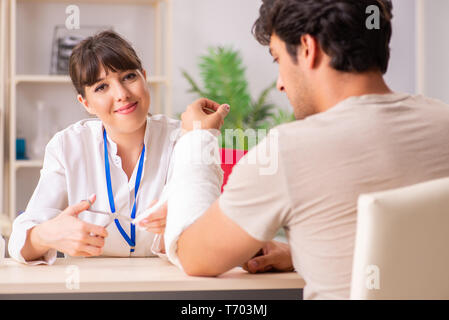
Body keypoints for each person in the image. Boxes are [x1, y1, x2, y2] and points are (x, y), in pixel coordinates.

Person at [159, 0, 449, 299]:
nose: (280, 84)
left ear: (308, 49)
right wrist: (303, 252)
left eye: (277, 59)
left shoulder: (287, 151)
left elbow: (193, 256)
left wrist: (197, 140)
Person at [7, 30, 230, 264]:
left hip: (168, 286)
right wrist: (48, 235)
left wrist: (179, 225)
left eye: (129, 77)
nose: (122, 94)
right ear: (86, 103)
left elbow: (210, 236)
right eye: (101, 87)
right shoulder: (68, 146)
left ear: (144, 77)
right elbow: (20, 241)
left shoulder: (184, 139)